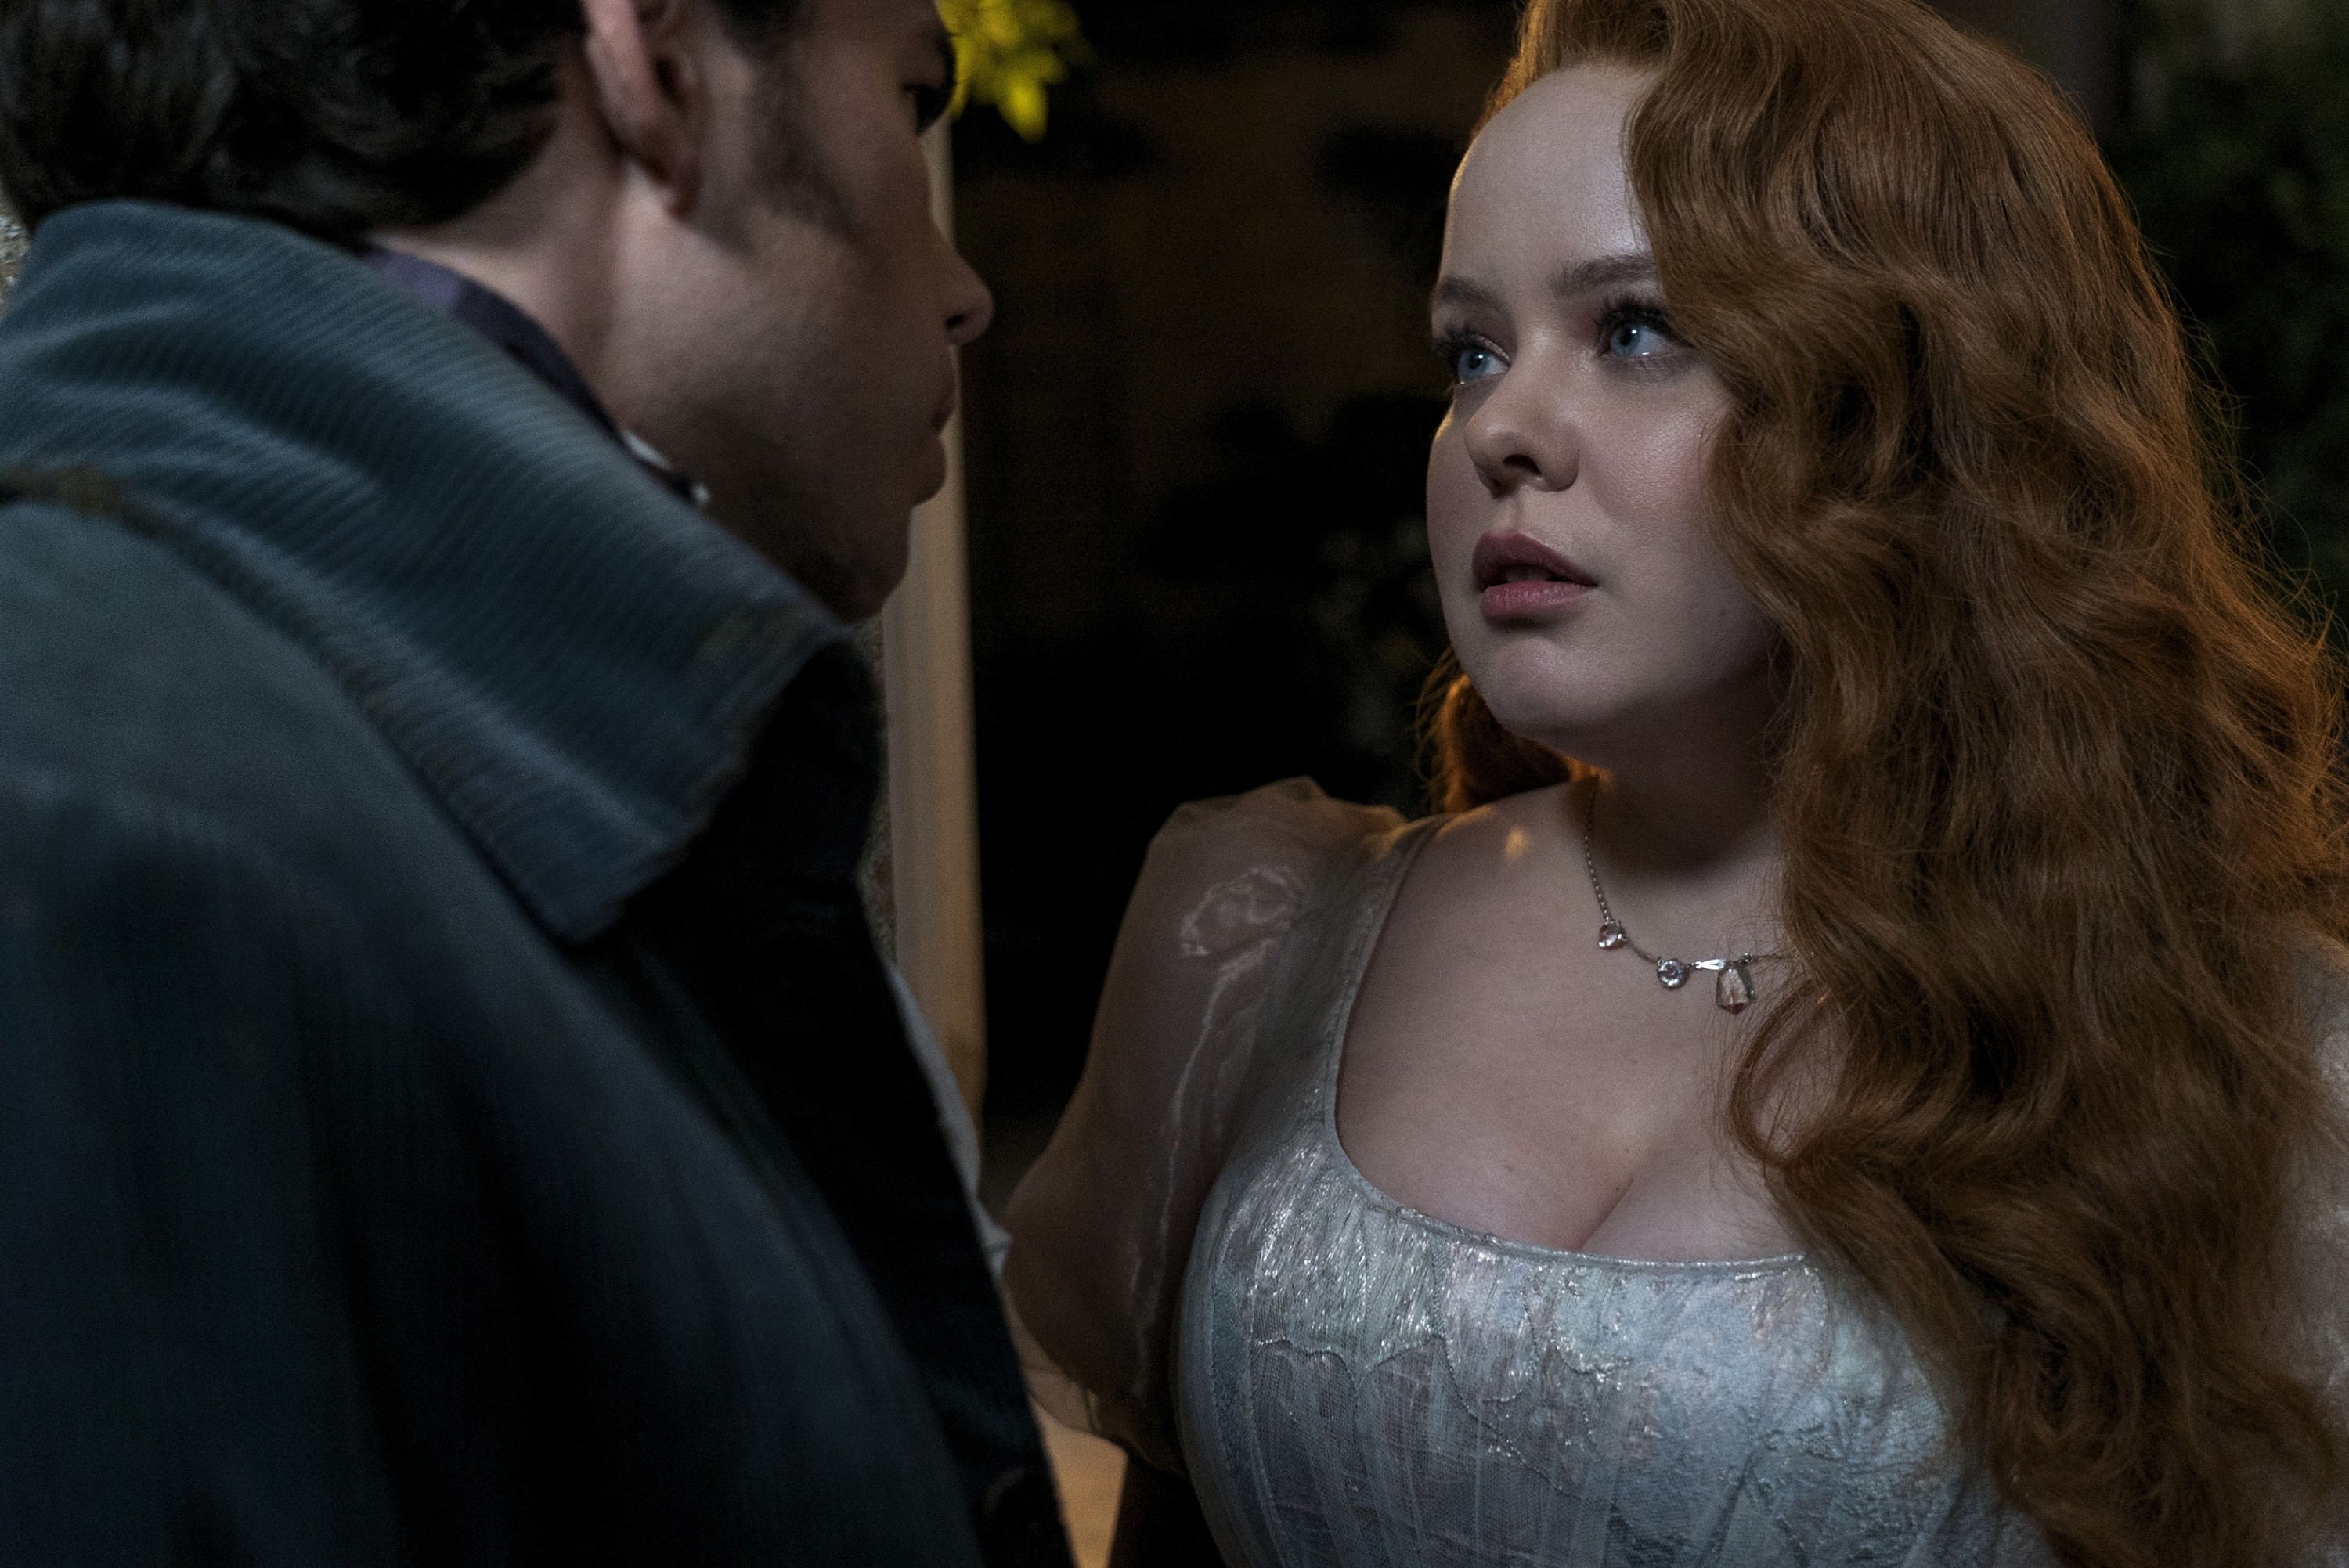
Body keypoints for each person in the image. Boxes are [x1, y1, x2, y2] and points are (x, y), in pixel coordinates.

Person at [1003, 0, 2349, 1563]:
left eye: (1633, 328)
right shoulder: (1255, 946)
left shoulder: (2248, 1049)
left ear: (1910, 409)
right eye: (1469, 351)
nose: (1502, 425)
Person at [0, 0, 1071, 1563]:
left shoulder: (419, 775)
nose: (966, 289)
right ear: (655, 62)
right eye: (911, 100)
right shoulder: (110, 841)